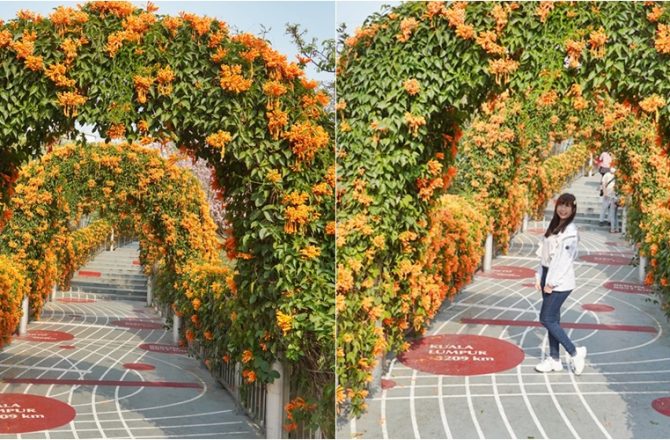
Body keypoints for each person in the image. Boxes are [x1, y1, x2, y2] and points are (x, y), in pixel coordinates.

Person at [534, 193, 587, 375]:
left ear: (573, 209)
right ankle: (555, 359)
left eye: (567, 206)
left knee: (546, 318)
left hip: (560, 281)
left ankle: (574, 352)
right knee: (553, 321)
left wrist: (552, 282)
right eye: (560, 205)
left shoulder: (571, 232)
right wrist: (539, 276)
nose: (563, 209)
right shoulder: (554, 226)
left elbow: (564, 262)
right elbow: (544, 255)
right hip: (547, 275)